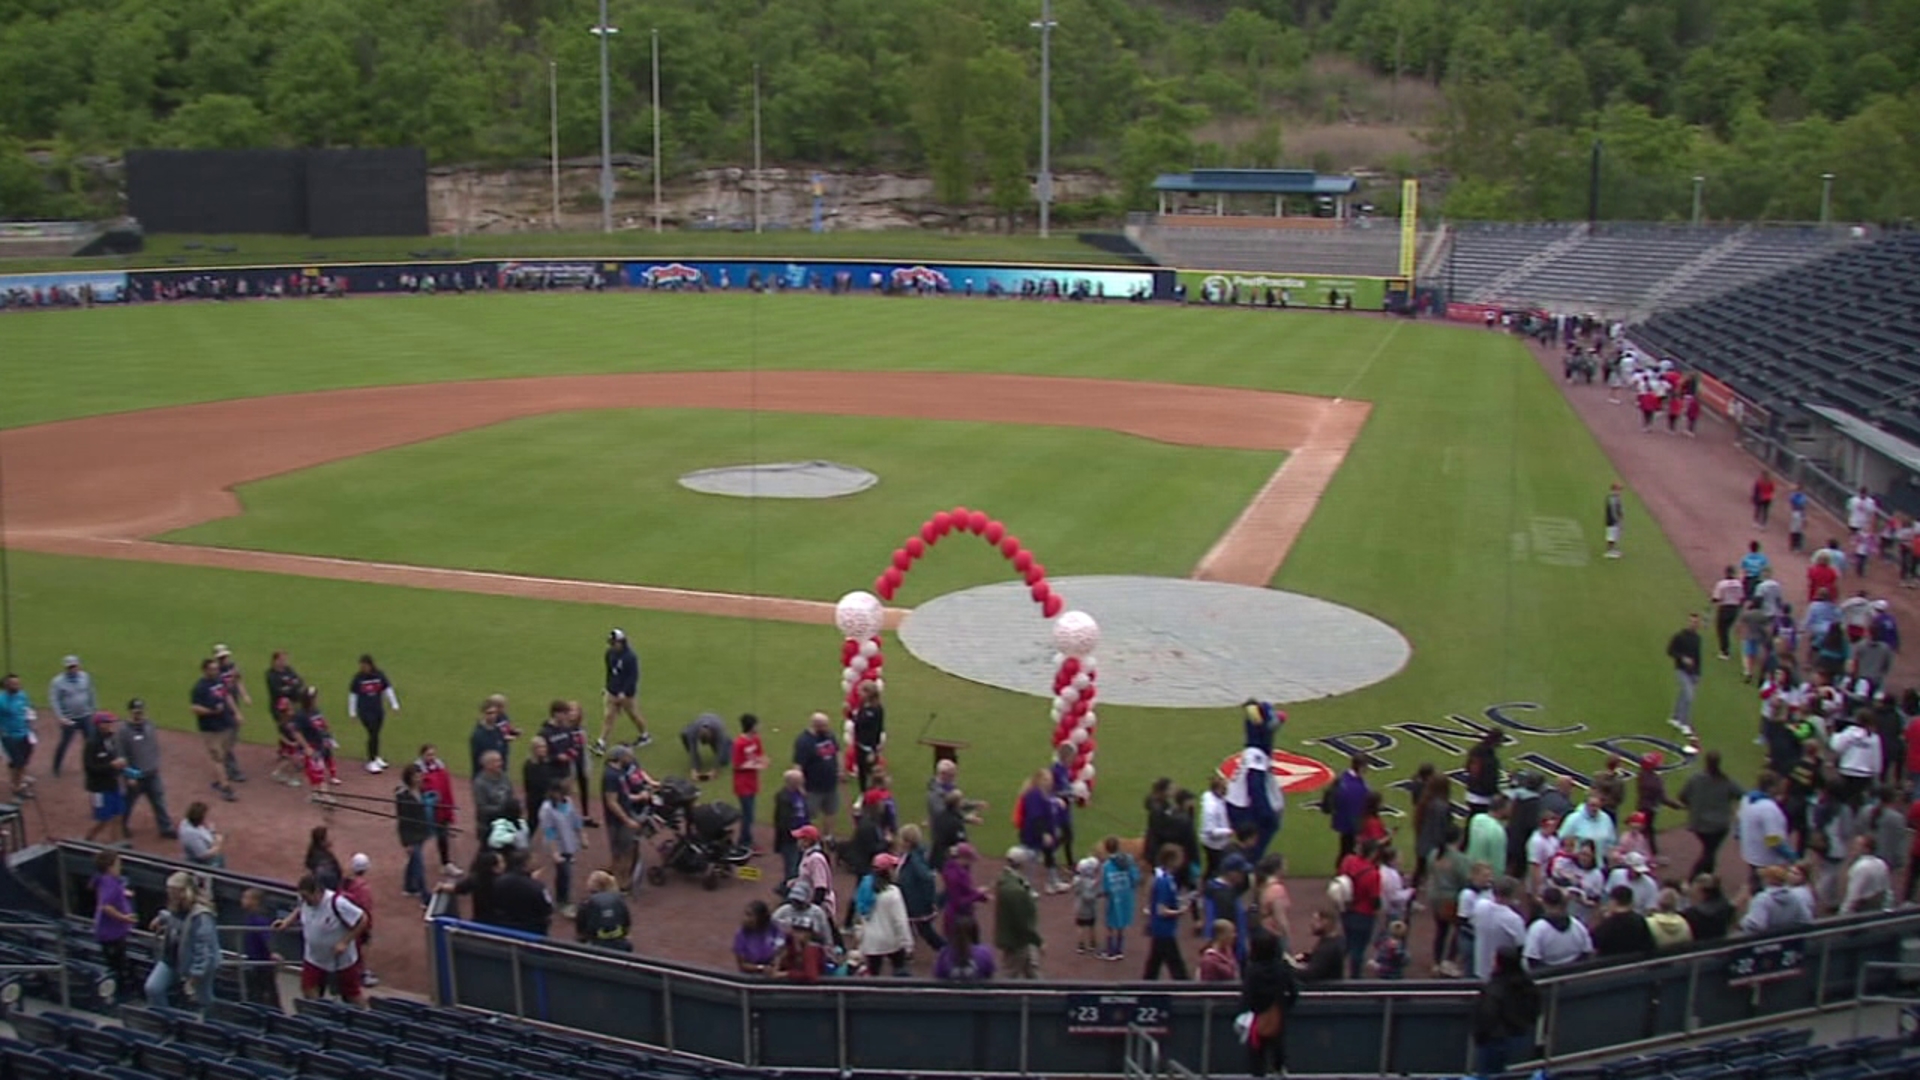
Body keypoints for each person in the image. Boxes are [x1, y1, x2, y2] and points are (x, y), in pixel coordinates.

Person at [274, 873, 367, 1003]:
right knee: (308, 988)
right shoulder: (304, 900)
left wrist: (344, 942)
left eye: (307, 897)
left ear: (317, 892)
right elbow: (300, 908)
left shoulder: (337, 903)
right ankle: (318, 1014)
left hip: (342, 960)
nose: (305, 900)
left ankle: (364, 1015)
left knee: (352, 994)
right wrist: (287, 922)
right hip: (313, 957)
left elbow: (363, 919)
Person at [147, 871, 218, 1008]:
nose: (170, 894)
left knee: (204, 998)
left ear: (184, 892)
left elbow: (203, 950)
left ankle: (210, 1023)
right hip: (173, 959)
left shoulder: (202, 916)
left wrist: (195, 975)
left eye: (173, 891)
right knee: (153, 988)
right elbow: (175, 918)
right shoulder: (177, 906)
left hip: (197, 964)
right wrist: (161, 918)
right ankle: (164, 1020)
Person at [1472, 946, 1539, 1078]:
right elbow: (1536, 1009)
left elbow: (1487, 1016)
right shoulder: (1528, 985)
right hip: (1522, 1037)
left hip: (1496, 1042)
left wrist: (1481, 1037)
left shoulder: (1494, 988)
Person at [1241, 930, 1299, 1077]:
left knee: (1257, 1059)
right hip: (1278, 1015)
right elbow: (1294, 992)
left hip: (1256, 1018)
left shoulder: (1252, 971)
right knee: (1278, 1055)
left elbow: (1247, 996)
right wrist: (1285, 1007)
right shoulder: (1283, 968)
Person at [1680, 751, 1743, 880]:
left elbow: (1682, 797)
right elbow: (1742, 794)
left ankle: (1707, 876)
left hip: (1699, 824)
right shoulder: (1726, 781)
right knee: (1710, 852)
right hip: (1719, 826)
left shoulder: (1696, 779)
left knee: (1710, 851)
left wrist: (1693, 805)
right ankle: (1694, 877)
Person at [116, 699, 174, 839]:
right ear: (130, 712)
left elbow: (153, 747)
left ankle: (166, 827)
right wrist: (129, 775)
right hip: (135, 776)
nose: (139, 714)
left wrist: (155, 765)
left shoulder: (150, 725)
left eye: (141, 711)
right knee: (128, 803)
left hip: (152, 773)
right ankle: (121, 826)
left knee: (159, 800)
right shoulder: (123, 731)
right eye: (136, 712)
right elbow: (121, 755)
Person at [189, 657, 238, 802]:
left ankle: (220, 779)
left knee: (224, 754)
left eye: (216, 668)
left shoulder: (219, 681)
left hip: (225, 724)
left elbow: (227, 696)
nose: (216, 671)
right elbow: (194, 708)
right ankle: (225, 787)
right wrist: (211, 711)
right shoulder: (199, 687)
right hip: (210, 729)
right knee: (217, 757)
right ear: (205, 670)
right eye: (212, 669)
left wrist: (236, 713)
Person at [860, 852, 914, 975]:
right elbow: (900, 921)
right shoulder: (893, 892)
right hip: (891, 940)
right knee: (900, 971)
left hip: (871, 940)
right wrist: (908, 943)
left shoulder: (865, 888)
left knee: (873, 975)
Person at [91, 850, 135, 1000]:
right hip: (111, 934)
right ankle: (122, 996)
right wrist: (124, 918)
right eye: (117, 865)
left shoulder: (107, 880)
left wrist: (123, 892)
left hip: (112, 932)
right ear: (110, 867)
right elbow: (106, 906)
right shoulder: (109, 881)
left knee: (119, 963)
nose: (120, 868)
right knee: (118, 966)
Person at [538, 780, 586, 916]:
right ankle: (563, 901)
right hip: (558, 845)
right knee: (565, 873)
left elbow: (575, 819)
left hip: (568, 842)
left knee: (567, 871)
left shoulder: (567, 802)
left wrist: (582, 835)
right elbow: (549, 831)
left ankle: (564, 899)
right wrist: (554, 852)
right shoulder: (547, 809)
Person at [346, 654, 399, 775]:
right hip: (365, 711)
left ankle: (376, 756)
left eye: (364, 665)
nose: (363, 668)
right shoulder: (358, 678)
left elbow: (387, 689)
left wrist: (394, 704)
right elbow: (353, 696)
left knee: (376, 734)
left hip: (378, 710)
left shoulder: (379, 675)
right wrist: (352, 712)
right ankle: (371, 760)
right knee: (372, 733)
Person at [995, 847, 1043, 979]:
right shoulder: (1015, 890)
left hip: (1019, 939)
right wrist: (1038, 941)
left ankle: (1042, 994)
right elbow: (1023, 922)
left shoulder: (1008, 879)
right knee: (1008, 974)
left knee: (1032, 970)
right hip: (1018, 940)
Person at [1337, 840, 1382, 978]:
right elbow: (1375, 900)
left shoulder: (1348, 861)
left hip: (1346, 909)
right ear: (1373, 853)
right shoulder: (1373, 873)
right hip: (1363, 914)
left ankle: (1336, 971)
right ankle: (1355, 980)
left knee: (1349, 942)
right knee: (1358, 949)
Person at [793, 712, 841, 839]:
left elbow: (837, 752)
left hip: (831, 784)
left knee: (830, 811)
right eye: (825, 726)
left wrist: (840, 770)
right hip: (813, 787)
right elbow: (798, 766)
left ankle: (828, 836)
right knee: (810, 814)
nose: (828, 728)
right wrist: (800, 786)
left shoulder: (829, 736)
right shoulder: (804, 741)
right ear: (817, 726)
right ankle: (810, 838)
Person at [80, 710, 127, 843]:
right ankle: (87, 840)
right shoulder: (92, 743)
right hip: (99, 789)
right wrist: (111, 765)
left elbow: (114, 757)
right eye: (108, 722)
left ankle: (116, 845)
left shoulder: (111, 739)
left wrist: (120, 765)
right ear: (100, 724)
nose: (111, 724)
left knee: (118, 816)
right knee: (103, 820)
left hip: (113, 784)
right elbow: (90, 768)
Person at [599, 628, 648, 751]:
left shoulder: (630, 657)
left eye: (614, 643)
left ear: (621, 642)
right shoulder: (609, 654)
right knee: (608, 716)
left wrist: (624, 693)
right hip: (612, 691)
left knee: (633, 715)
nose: (612, 645)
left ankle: (644, 735)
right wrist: (607, 687)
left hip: (627, 694)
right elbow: (610, 672)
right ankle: (601, 742)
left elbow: (633, 677)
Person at [48, 655, 96, 778]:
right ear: (66, 668)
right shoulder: (58, 682)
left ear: (78, 665)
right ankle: (56, 767)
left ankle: (91, 767)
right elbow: (55, 700)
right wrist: (61, 717)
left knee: (90, 743)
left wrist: (93, 710)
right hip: (69, 718)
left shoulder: (85, 677)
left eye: (74, 666)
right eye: (70, 667)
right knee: (64, 743)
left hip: (85, 715)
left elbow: (91, 693)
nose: (72, 669)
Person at [1471, 876, 1527, 980]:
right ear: (1512, 895)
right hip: (1502, 973)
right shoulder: (1514, 919)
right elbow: (1521, 946)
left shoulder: (1480, 905)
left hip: (1480, 968)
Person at [1522, 886, 1592, 969]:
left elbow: (1532, 959)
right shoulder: (1577, 924)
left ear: (1544, 903)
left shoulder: (1537, 928)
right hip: (1575, 971)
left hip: (1549, 974)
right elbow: (1587, 951)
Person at [394, 764, 432, 903]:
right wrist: (406, 843)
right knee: (419, 864)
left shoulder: (421, 791)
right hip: (411, 836)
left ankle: (409, 886)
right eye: (416, 776)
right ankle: (425, 896)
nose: (419, 778)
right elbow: (403, 821)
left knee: (414, 861)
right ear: (409, 778)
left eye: (420, 775)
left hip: (421, 833)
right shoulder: (403, 797)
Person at [491, 851, 554, 936]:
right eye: (533, 860)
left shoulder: (499, 881)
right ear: (526, 864)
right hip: (531, 931)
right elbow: (547, 911)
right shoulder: (538, 887)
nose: (535, 862)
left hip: (504, 927)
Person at [341, 854, 380, 988]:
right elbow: (365, 909)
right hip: (356, 923)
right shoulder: (363, 888)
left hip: (346, 921)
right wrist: (367, 927)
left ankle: (358, 973)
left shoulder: (345, 883)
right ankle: (360, 975)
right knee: (355, 950)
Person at [418, 744, 458, 873]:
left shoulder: (441, 769)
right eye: (428, 755)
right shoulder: (417, 771)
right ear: (422, 755)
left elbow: (446, 789)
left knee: (442, 837)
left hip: (440, 809)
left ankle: (446, 863)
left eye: (433, 754)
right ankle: (415, 865)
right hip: (426, 810)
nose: (431, 757)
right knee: (419, 838)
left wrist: (448, 809)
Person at [731, 714, 768, 852]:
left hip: (752, 782)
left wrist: (763, 761)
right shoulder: (739, 743)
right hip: (742, 784)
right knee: (748, 814)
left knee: (749, 813)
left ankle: (745, 840)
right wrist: (753, 765)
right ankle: (744, 842)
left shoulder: (756, 739)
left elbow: (760, 755)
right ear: (751, 726)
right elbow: (736, 765)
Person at [1741, 864, 1814, 933]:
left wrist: (1744, 922)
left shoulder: (1763, 898)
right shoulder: (1794, 897)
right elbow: (1806, 919)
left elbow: (1757, 925)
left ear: (1769, 880)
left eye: (1766, 877)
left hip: (1767, 943)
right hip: (1788, 942)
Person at [239, 887, 280, 1008]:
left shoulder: (260, 919)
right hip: (253, 961)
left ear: (255, 901)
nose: (242, 900)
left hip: (262, 965)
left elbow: (267, 938)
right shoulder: (250, 917)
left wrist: (273, 953)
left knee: (267, 994)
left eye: (246, 898)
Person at [1327, 756, 1371, 865]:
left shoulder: (1342, 779)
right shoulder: (1358, 786)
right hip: (1351, 822)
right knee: (1348, 850)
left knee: (1346, 847)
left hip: (1344, 821)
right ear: (1360, 767)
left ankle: (1342, 868)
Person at [1590, 885, 1656, 957]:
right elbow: (1649, 945)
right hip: (1635, 962)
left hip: (1611, 963)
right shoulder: (1640, 920)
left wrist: (1597, 918)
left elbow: (1593, 943)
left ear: (1613, 901)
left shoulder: (1608, 924)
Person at [1668, 613, 1704, 742]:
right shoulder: (1680, 636)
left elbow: (1698, 657)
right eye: (1692, 622)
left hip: (1693, 672)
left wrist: (1698, 673)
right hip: (1681, 670)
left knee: (1683, 694)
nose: (1694, 624)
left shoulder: (1698, 639)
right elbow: (1670, 651)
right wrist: (1682, 658)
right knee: (1689, 696)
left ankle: (1675, 717)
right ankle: (1684, 723)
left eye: (1696, 622)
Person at [575, 870, 632, 951]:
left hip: (595, 946)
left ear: (595, 884)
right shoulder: (618, 900)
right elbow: (626, 923)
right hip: (620, 945)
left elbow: (581, 929)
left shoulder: (587, 903)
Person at [933, 914, 996, 981]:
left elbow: (938, 977)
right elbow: (989, 976)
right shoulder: (984, 953)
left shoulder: (945, 953)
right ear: (975, 933)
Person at [1841, 834, 1893, 913]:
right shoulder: (1881, 863)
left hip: (1863, 908)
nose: (1853, 847)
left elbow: (1853, 895)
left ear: (1866, 849)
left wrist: (1843, 912)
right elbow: (1887, 889)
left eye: (1857, 845)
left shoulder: (1860, 867)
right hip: (1879, 906)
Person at [1292, 906, 1345, 982]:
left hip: (1325, 989)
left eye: (1316, 920)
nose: (1312, 924)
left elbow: (1312, 974)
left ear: (1325, 922)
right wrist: (1303, 957)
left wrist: (1289, 970)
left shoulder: (1327, 948)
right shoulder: (1333, 941)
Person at [850, 681, 886, 793]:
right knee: (861, 772)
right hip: (860, 744)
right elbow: (858, 722)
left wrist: (873, 750)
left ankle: (876, 794)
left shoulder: (876, 709)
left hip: (869, 747)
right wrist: (850, 715)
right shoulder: (863, 705)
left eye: (861, 691)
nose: (859, 693)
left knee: (872, 772)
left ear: (868, 693)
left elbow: (876, 729)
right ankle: (863, 793)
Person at [681, 712, 732, 782]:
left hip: (715, 721)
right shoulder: (693, 731)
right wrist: (694, 769)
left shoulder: (719, 731)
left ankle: (730, 743)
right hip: (700, 721)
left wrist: (714, 770)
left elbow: (720, 751)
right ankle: (697, 763)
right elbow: (693, 749)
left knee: (724, 760)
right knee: (684, 734)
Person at [733, 900, 781, 975]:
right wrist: (761, 968)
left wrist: (776, 964)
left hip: (774, 971)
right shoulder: (741, 935)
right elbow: (742, 965)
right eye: (745, 914)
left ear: (760, 918)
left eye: (750, 915)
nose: (745, 919)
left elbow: (781, 950)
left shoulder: (773, 929)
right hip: (751, 975)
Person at [1684, 875, 1735, 941]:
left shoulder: (1693, 914)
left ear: (1701, 891)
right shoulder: (1725, 906)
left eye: (1694, 892)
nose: (1692, 895)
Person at [1713, 567, 1747, 661]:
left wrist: (1714, 600)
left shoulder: (1721, 584)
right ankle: (1726, 649)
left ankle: (1725, 652)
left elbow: (1717, 598)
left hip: (1724, 608)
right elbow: (1741, 597)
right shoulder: (1738, 584)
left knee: (1721, 630)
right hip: (1734, 609)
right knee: (1726, 629)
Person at [179, 801, 225, 868]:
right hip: (199, 861)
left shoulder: (187, 822)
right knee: (219, 859)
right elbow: (203, 855)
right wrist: (218, 844)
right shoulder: (191, 834)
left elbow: (207, 834)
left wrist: (212, 831)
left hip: (196, 854)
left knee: (220, 857)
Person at [306, 825, 343, 891]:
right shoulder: (325, 859)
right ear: (321, 842)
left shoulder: (314, 852)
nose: (330, 839)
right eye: (327, 838)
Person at [1604, 483, 1625, 558]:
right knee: (1611, 536)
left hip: (1614, 520)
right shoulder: (1612, 498)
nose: (1620, 492)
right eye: (1618, 490)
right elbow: (1613, 511)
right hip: (1612, 520)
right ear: (1614, 489)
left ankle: (1612, 549)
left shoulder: (1616, 497)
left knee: (1615, 535)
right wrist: (1617, 520)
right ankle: (1609, 551)